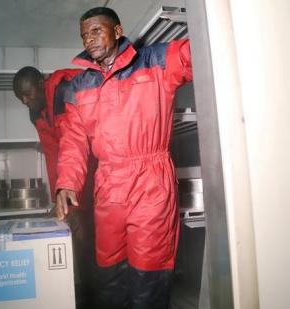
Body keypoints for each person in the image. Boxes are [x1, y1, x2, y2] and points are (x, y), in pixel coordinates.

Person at [55, 7, 192, 309]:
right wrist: (66, 183)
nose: (88, 40)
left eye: (95, 31)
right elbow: (74, 141)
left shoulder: (155, 61)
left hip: (150, 184)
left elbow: (203, 52)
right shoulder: (79, 87)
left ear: (117, 31)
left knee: (148, 274)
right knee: (109, 275)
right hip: (108, 187)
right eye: (83, 35)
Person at [12, 66, 97, 308]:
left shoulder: (63, 92)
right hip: (74, 178)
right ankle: (88, 297)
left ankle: (100, 297)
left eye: (28, 94)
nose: (26, 101)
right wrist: (58, 198)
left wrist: (74, 198)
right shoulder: (35, 111)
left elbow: (78, 147)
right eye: (21, 98)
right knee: (79, 238)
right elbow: (53, 152)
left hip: (93, 172)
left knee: (93, 239)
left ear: (42, 82)